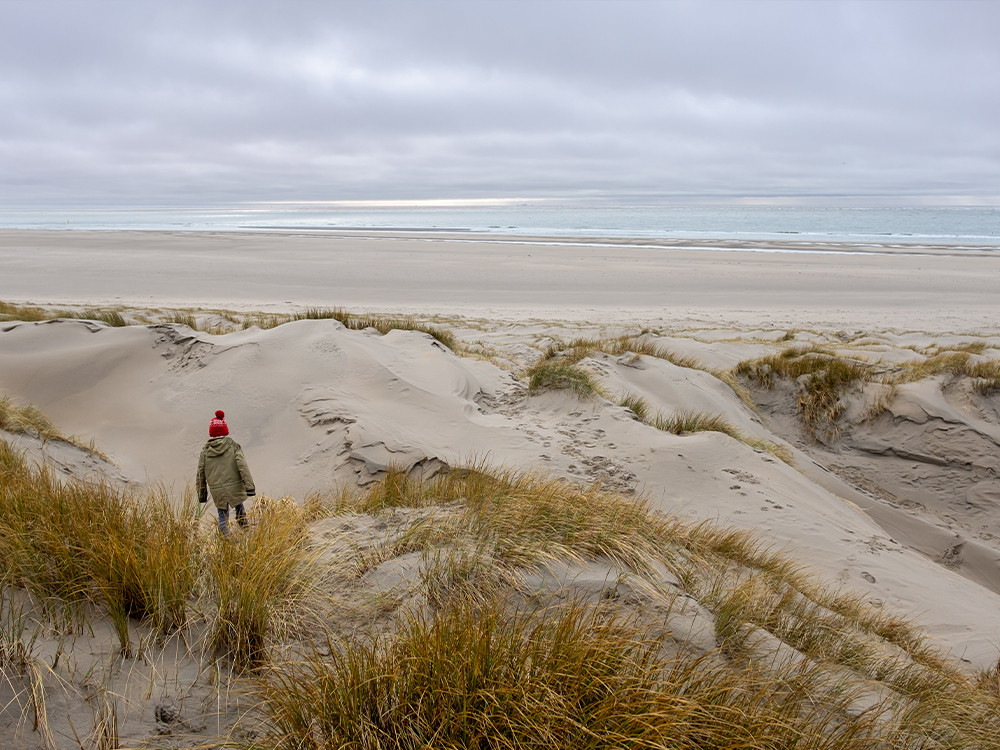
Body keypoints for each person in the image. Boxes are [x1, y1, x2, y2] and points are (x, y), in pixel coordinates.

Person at [197, 410, 255, 536]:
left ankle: (227, 542)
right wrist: (249, 487)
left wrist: (202, 494)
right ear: (225, 429)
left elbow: (200, 474)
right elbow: (243, 466)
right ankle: (247, 533)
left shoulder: (205, 452)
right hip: (235, 486)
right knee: (240, 508)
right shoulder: (233, 446)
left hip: (217, 490)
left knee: (222, 516)